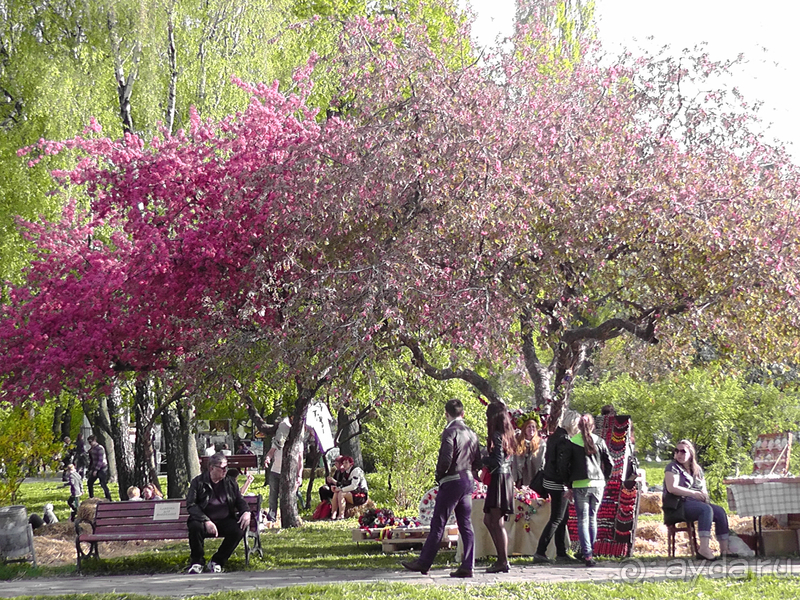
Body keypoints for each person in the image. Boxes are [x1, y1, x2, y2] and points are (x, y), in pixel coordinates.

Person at [402, 398, 481, 578]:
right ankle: (468, 564)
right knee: (466, 524)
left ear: (446, 414)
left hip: (452, 480)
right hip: (468, 480)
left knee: (438, 522)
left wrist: (439, 475)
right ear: (463, 413)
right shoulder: (472, 433)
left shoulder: (449, 432)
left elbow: (446, 458)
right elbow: (478, 460)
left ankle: (424, 562)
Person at [663, 439, 735, 560]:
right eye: (677, 451)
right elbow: (672, 488)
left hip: (696, 503)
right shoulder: (672, 467)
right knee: (705, 510)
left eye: (683, 451)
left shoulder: (697, 470)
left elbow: (704, 489)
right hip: (678, 505)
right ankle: (704, 549)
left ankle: (724, 549)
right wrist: (694, 493)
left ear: (691, 453)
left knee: (719, 511)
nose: (679, 454)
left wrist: (704, 496)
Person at [185, 452, 251, 574]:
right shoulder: (198, 482)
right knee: (194, 526)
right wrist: (206, 520)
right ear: (211, 468)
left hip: (224, 520)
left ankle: (217, 561)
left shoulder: (230, 483)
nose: (225, 471)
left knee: (238, 529)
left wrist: (246, 511)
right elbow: (191, 505)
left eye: (227, 467)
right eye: (222, 468)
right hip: (203, 520)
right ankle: (197, 562)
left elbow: (239, 501)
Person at [563, 413, 612, 567]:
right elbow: (609, 463)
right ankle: (589, 551)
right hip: (598, 484)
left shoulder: (572, 442)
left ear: (578, 426)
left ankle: (587, 553)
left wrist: (568, 485)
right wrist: (604, 478)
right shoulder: (600, 441)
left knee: (582, 519)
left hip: (580, 485)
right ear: (593, 426)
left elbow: (566, 466)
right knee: (593, 518)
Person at [533, 409, 581, 564]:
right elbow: (562, 465)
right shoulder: (565, 439)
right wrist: (568, 484)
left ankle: (561, 552)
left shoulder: (555, 436)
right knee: (557, 518)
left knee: (562, 517)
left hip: (549, 480)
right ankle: (541, 551)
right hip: (558, 483)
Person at [482, 402, 516, 573]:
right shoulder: (507, 434)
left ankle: (503, 561)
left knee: (496, 521)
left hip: (499, 479)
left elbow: (497, 461)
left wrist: (480, 459)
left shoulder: (496, 435)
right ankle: (501, 559)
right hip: (505, 478)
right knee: (489, 520)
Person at [264, 416, 302, 522]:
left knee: (289, 496)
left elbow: (300, 460)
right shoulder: (278, 440)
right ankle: (272, 517)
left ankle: (291, 515)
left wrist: (299, 475)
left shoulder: (298, 442)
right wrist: (267, 459)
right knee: (273, 496)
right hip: (275, 471)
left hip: (289, 473)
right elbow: (271, 452)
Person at [330, 455, 369, 520]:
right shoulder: (345, 472)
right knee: (336, 493)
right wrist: (336, 488)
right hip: (351, 493)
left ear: (351, 464)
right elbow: (344, 484)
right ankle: (334, 513)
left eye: (346, 463)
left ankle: (341, 515)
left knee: (341, 493)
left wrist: (341, 489)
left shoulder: (356, 471)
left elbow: (354, 486)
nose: (344, 465)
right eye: (343, 463)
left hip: (360, 495)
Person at [512, 415, 544, 488]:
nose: (531, 429)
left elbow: (542, 463)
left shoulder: (541, 444)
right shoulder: (517, 442)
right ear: (524, 429)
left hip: (535, 480)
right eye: (529, 427)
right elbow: (514, 462)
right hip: (519, 480)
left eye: (533, 427)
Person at [87, 435, 112, 501]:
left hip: (102, 468)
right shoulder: (92, 449)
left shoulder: (100, 448)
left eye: (91, 442)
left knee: (103, 483)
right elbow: (92, 460)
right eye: (89, 442)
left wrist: (96, 470)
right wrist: (90, 469)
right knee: (90, 482)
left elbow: (100, 461)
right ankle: (91, 497)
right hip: (95, 467)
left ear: (94, 441)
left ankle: (108, 498)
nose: (90, 444)